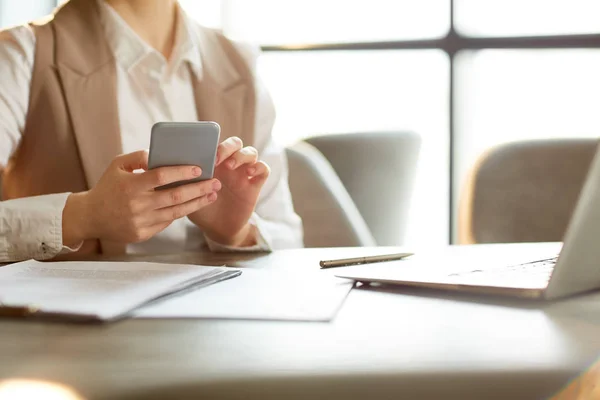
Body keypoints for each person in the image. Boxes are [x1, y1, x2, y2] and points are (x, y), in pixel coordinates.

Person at [0, 0, 303, 262]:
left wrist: (236, 233)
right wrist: (84, 216)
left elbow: (290, 240)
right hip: (69, 326)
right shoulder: (19, 55)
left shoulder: (240, 65)